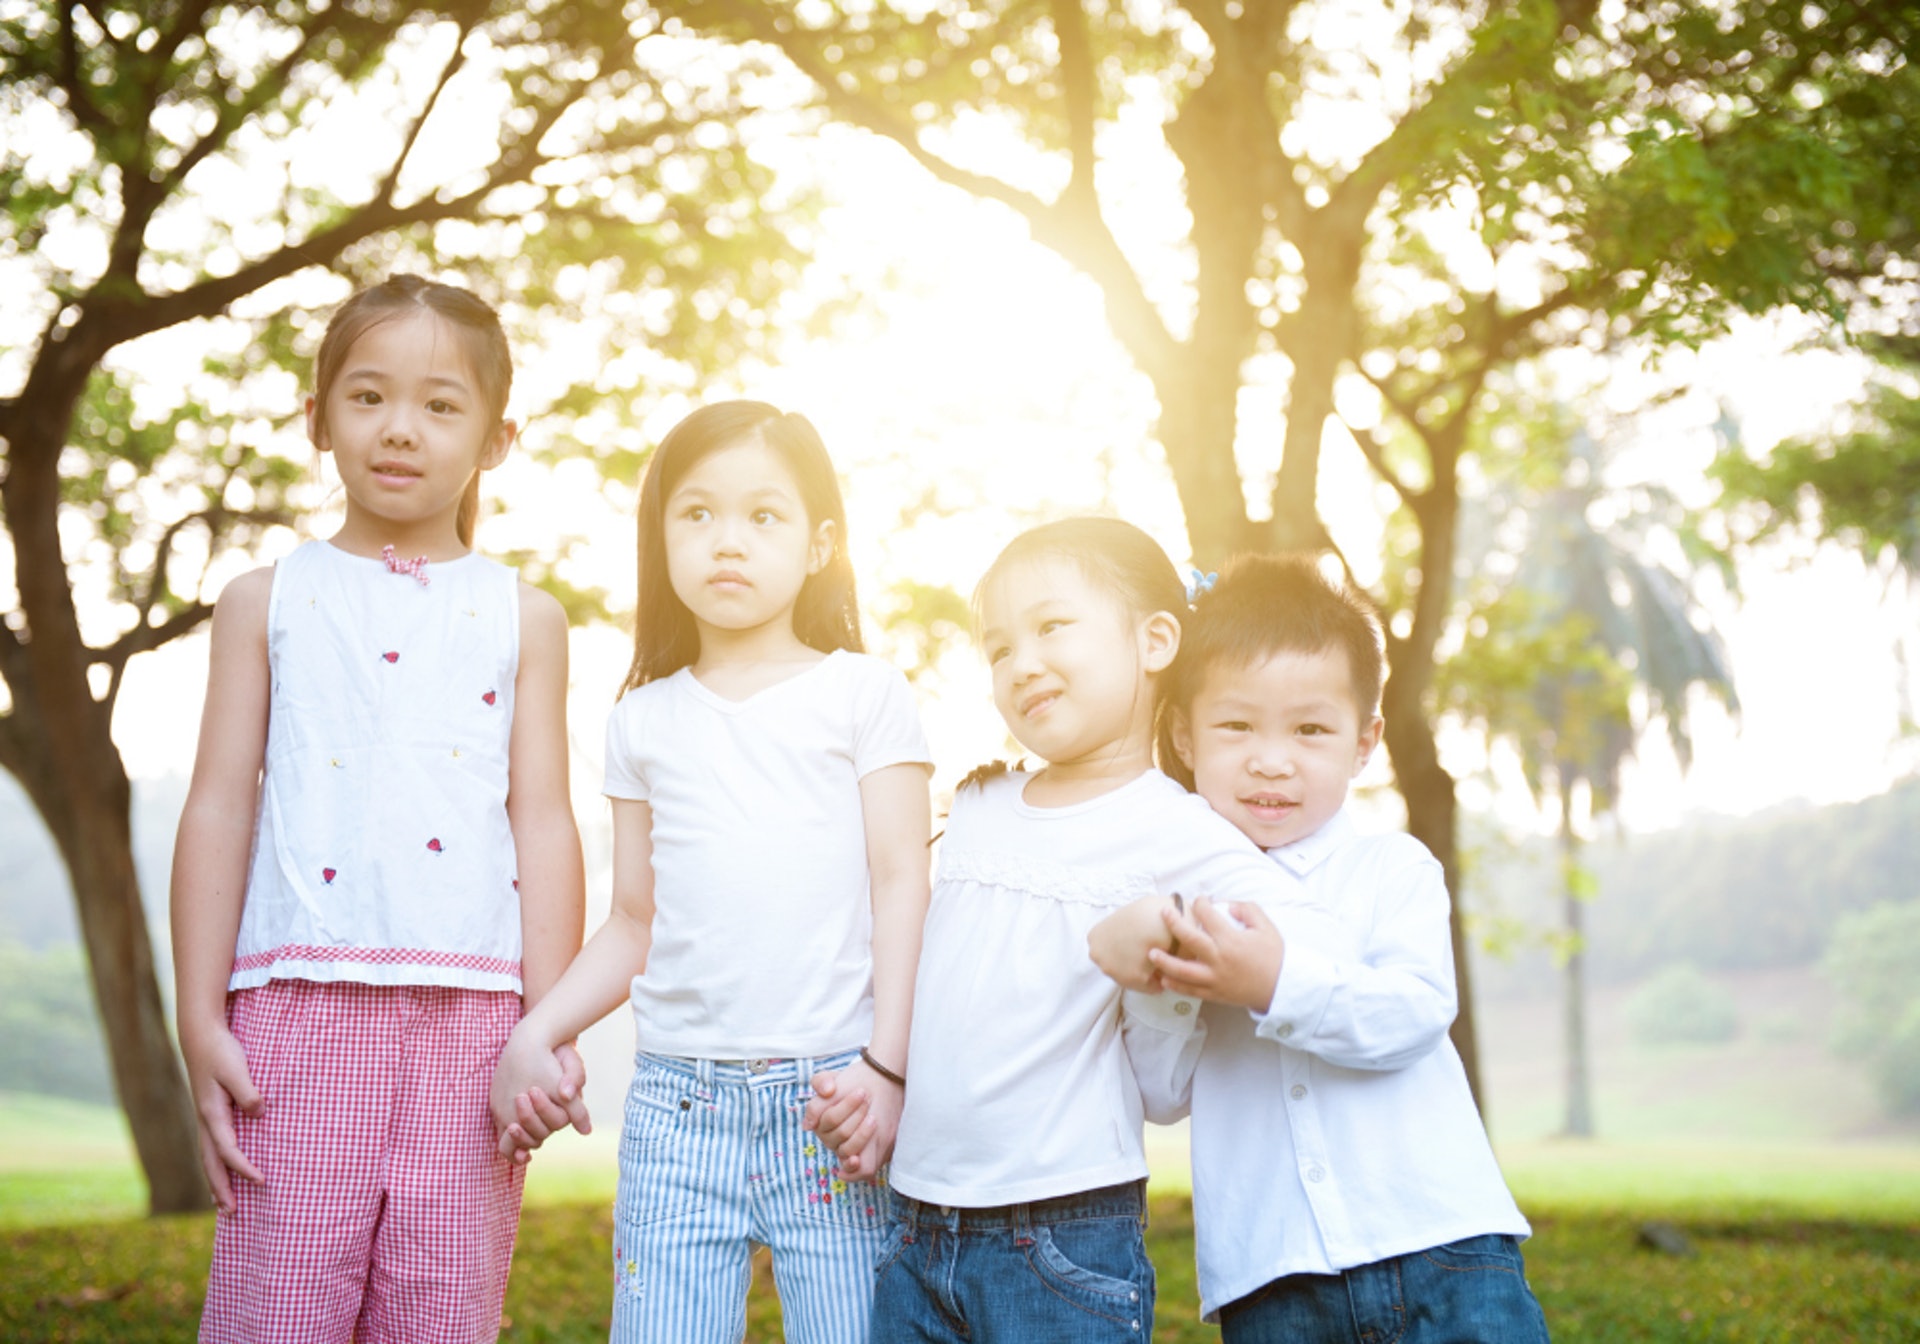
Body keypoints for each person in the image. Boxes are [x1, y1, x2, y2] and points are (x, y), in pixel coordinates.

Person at [809, 518, 1350, 1344]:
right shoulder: (981, 805)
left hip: (1060, 1233)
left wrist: (1170, 934)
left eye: (1052, 626)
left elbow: (1303, 933)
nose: (1021, 663)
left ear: (1155, 638)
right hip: (915, 1222)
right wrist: (882, 1075)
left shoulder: (1181, 828)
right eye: (998, 649)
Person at [170, 274, 586, 1344]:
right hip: (297, 1008)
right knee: (282, 1310)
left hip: (474, 1021)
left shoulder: (523, 617)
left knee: (441, 1313)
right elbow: (220, 804)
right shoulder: (265, 602)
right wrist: (199, 1014)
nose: (401, 429)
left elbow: (543, 821)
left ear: (497, 436)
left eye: (442, 405)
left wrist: (547, 1022)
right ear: (317, 419)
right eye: (368, 397)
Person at [488, 400, 932, 1344]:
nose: (728, 542)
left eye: (762, 516)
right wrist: (541, 1028)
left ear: (819, 545)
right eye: (697, 514)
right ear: (661, 537)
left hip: (834, 1101)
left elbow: (903, 883)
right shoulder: (641, 720)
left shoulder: (863, 693)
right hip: (677, 1110)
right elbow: (634, 922)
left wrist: (888, 1069)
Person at [1094, 553, 1548, 1342]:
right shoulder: (1181, 903)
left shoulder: (1391, 867)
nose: (1273, 759)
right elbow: (1161, 1094)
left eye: (1310, 729)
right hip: (1273, 1280)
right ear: (1183, 734)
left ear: (1365, 740)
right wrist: (1162, 974)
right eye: (1236, 726)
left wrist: (1276, 982)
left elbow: (1414, 1013)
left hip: (1441, 1247)